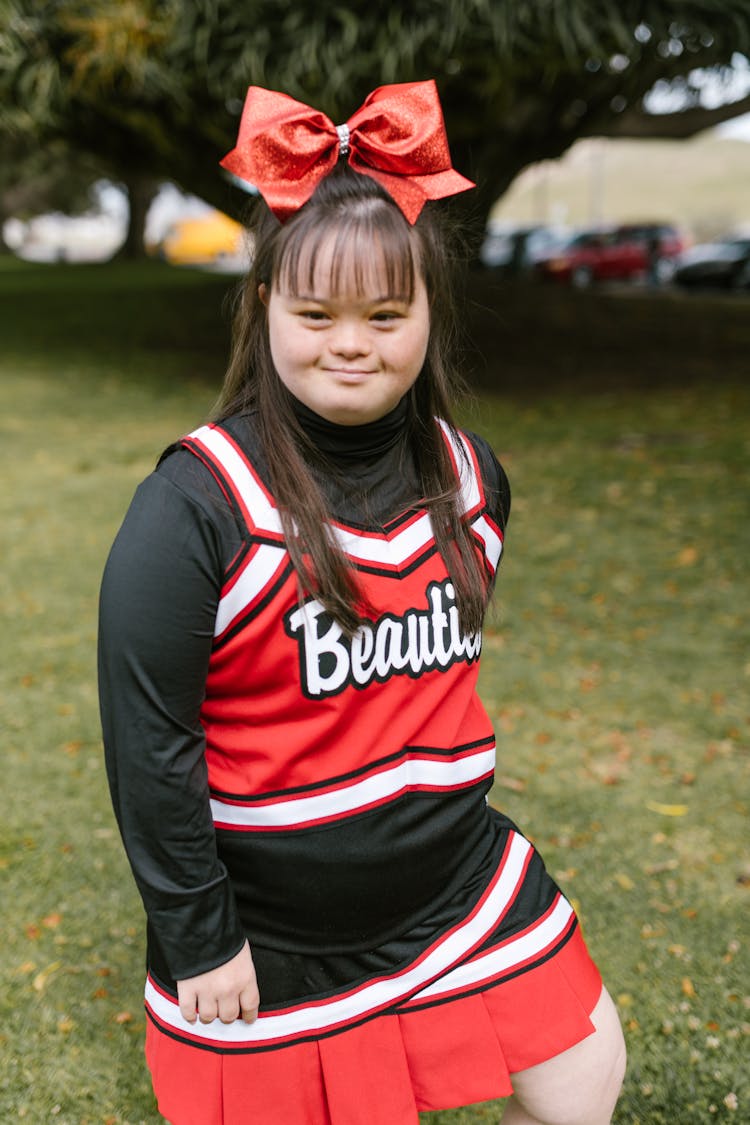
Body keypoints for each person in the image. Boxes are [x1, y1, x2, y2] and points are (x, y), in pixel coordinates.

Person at [98, 81, 625, 1125]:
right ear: (263, 308)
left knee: (583, 1078)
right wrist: (200, 933)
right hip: (275, 926)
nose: (352, 342)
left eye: (387, 315)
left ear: (430, 314)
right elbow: (149, 739)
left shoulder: (474, 478)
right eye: (316, 313)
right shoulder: (197, 504)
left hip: (457, 883)